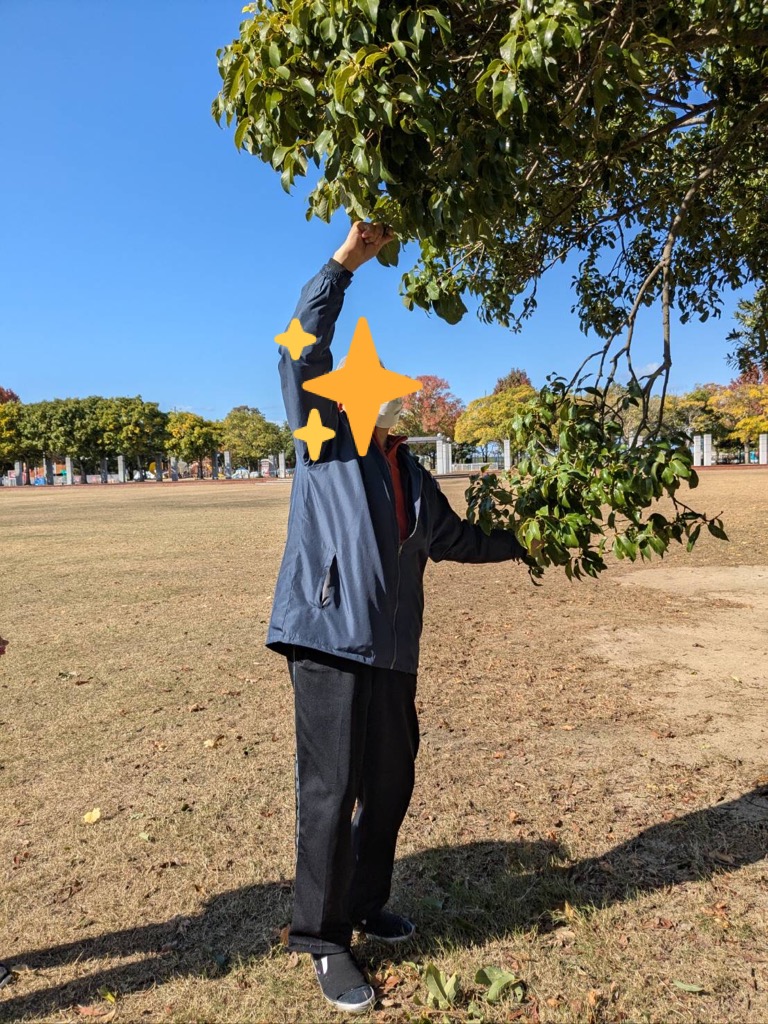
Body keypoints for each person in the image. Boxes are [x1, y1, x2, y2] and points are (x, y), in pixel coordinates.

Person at [267, 222, 531, 1014]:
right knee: (333, 789)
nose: (369, 398)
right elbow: (296, 349)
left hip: (391, 652)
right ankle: (322, 939)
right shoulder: (324, 441)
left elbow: (454, 541)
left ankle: (364, 904)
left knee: (389, 783)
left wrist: (533, 540)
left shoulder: (408, 469)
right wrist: (343, 266)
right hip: (327, 641)